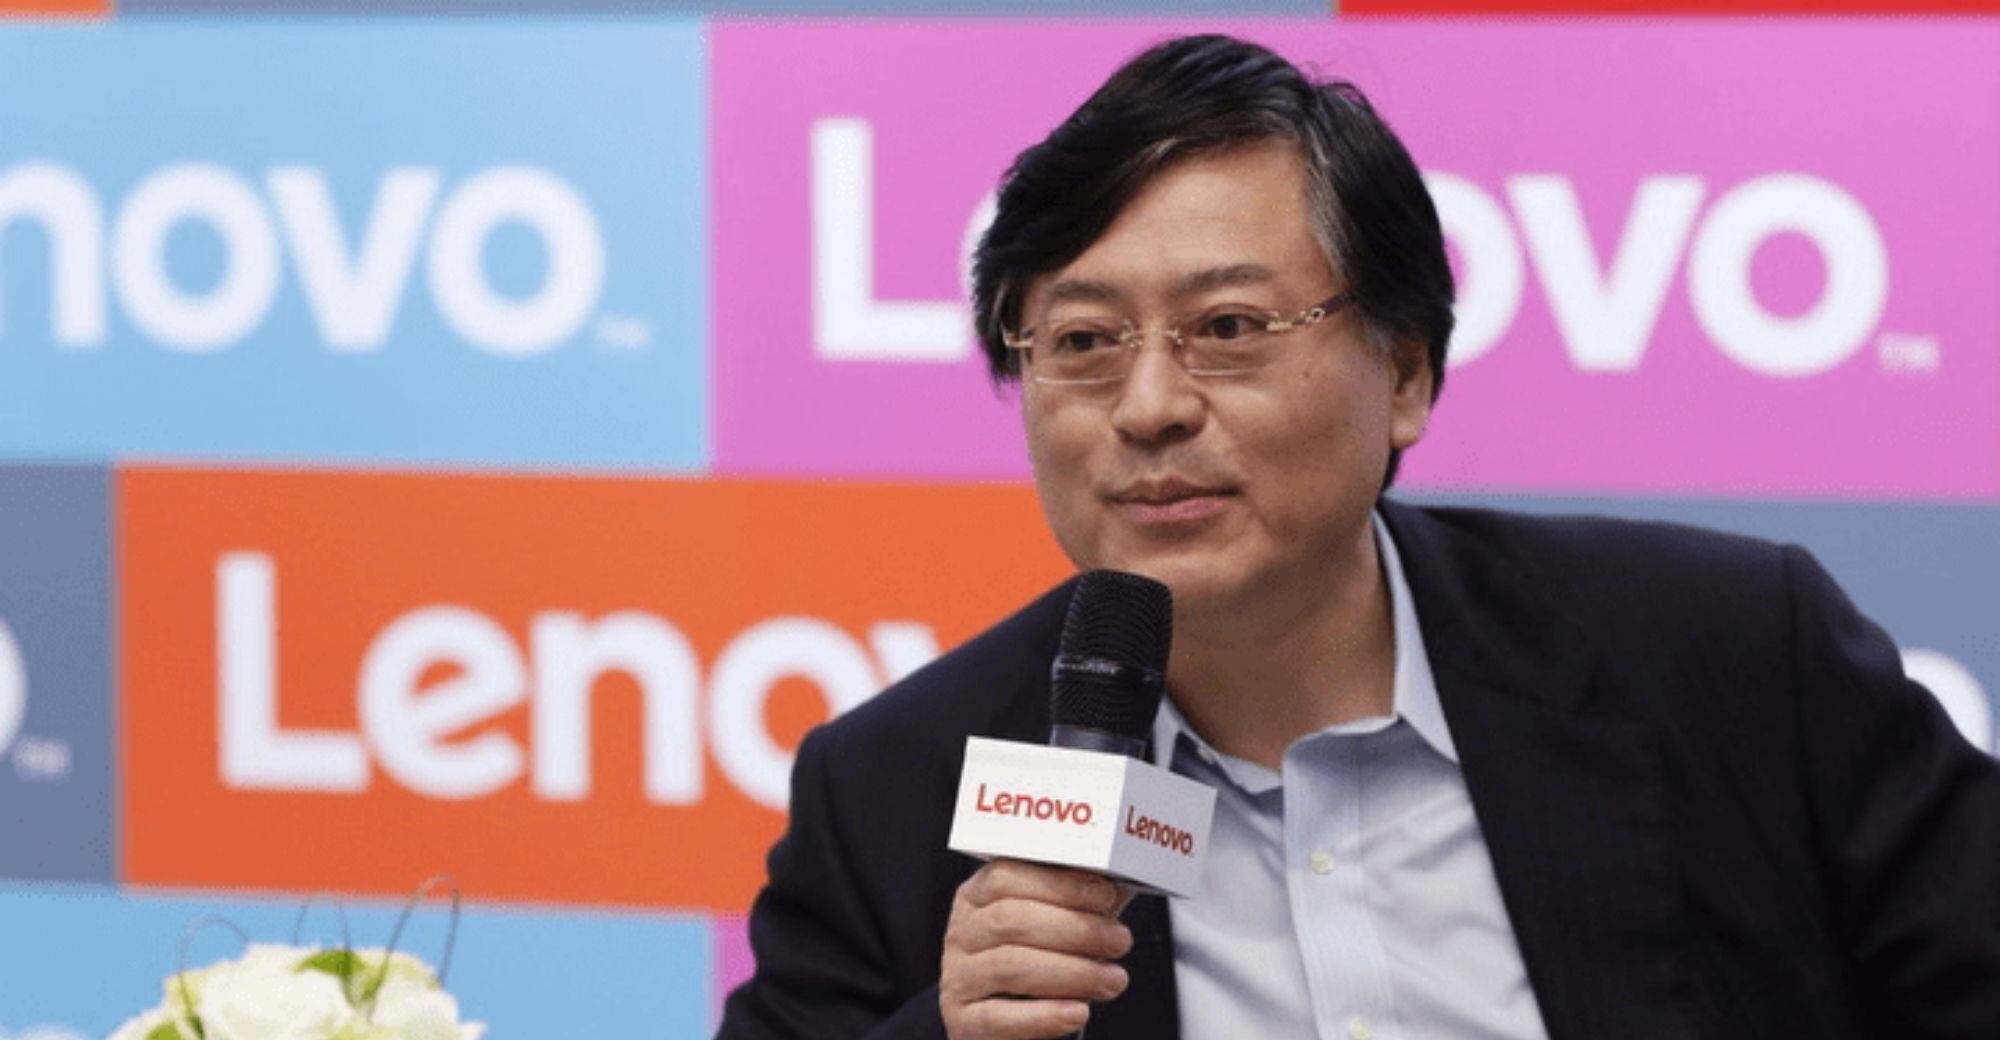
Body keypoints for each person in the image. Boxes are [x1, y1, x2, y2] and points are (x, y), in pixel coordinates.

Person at [716, 33, 2000, 1040]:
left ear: (1404, 372)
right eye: (1083, 341)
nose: (1149, 406)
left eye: (1228, 327)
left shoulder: (1726, 656)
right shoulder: (893, 791)